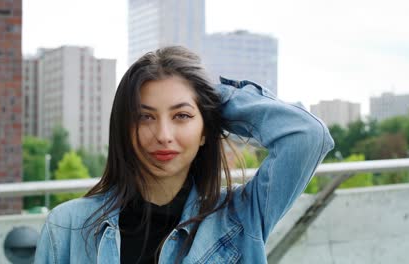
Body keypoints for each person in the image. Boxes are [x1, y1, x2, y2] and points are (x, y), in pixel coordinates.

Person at [34, 46, 334, 264]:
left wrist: (211, 98)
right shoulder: (67, 227)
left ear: (206, 130)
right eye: (145, 117)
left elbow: (307, 135)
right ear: (125, 128)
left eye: (181, 116)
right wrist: (192, 105)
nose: (164, 134)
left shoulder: (241, 215)